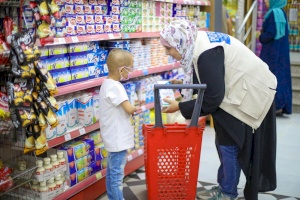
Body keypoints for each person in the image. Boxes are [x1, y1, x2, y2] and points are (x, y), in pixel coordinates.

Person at [160, 20, 277, 200]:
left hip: (251, 93)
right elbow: (210, 78)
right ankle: (225, 187)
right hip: (237, 92)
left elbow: (213, 98)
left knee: (228, 145)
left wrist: (180, 107)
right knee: (225, 142)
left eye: (169, 48)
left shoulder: (206, 52)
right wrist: (185, 84)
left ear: (180, 42)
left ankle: (227, 192)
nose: (167, 53)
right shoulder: (198, 42)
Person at [99, 49, 138, 200]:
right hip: (118, 139)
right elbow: (128, 109)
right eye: (130, 69)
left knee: (111, 175)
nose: (131, 72)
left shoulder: (105, 84)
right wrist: (135, 107)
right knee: (116, 178)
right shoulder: (116, 86)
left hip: (111, 137)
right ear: (122, 70)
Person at [259, 0, 292, 116]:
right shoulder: (282, 12)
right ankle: (282, 105)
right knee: (282, 76)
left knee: (271, 76)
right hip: (281, 52)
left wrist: (260, 36)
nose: (265, 2)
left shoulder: (273, 13)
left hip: (272, 52)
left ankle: (275, 105)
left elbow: (270, 33)